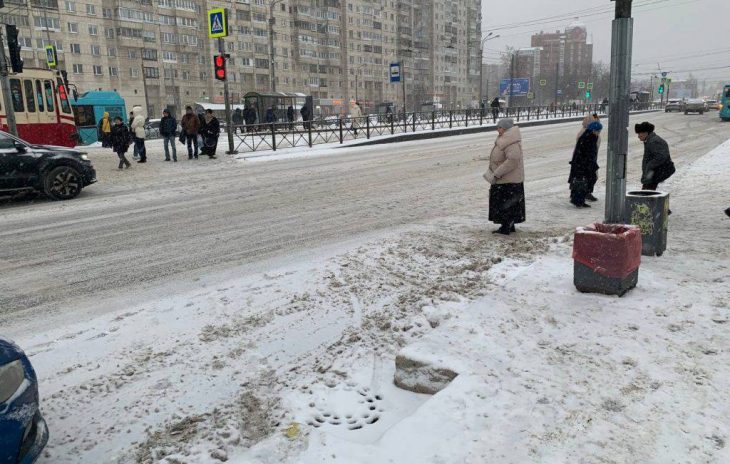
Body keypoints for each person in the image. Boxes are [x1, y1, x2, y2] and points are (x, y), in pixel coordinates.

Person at [483, 118, 525, 235]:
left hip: (508, 180)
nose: (498, 130)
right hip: (505, 179)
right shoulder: (506, 139)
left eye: (499, 127)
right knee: (506, 204)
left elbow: (512, 160)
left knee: (506, 204)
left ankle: (506, 226)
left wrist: (497, 173)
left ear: (506, 128)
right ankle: (507, 225)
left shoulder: (511, 142)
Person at [635, 121, 675, 214]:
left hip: (656, 171)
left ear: (646, 133)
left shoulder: (654, 141)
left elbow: (661, 157)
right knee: (648, 191)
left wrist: (649, 166)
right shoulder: (650, 140)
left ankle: (660, 210)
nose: (638, 136)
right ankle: (663, 210)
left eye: (639, 134)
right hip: (654, 171)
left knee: (646, 192)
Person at [569, 121, 603, 208]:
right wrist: (588, 165)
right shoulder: (588, 138)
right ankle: (578, 201)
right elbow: (587, 153)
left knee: (584, 181)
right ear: (593, 130)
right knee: (581, 182)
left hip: (584, 164)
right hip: (583, 164)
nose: (598, 133)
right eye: (598, 131)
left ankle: (580, 200)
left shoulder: (589, 136)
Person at [576, 113, 601, 201]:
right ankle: (585, 193)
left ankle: (586, 192)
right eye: (596, 121)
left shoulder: (592, 132)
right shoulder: (586, 132)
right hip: (586, 159)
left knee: (591, 176)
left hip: (590, 158)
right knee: (590, 176)